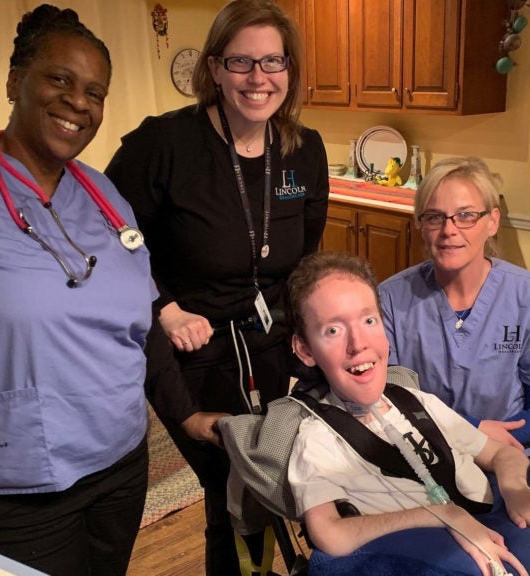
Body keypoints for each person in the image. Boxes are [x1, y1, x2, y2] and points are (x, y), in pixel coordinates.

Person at [0, 5, 157, 575]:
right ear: (14, 82)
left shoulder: (105, 195)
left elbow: (140, 316)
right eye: (60, 79)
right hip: (8, 482)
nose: (79, 101)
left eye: (95, 92)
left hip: (119, 463)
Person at [104, 1, 329, 574]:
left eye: (273, 61)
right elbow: (109, 236)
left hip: (275, 347)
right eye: (241, 62)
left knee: (279, 476)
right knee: (230, 485)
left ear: (290, 69)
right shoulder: (162, 145)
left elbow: (305, 259)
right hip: (192, 351)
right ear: (214, 68)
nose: (259, 78)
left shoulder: (306, 149)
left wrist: (315, 340)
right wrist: (165, 307)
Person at [284, 251, 530, 576]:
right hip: (428, 547)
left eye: (369, 321)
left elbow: (503, 454)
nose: (358, 343)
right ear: (305, 350)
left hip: (486, 515)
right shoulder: (317, 440)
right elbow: (330, 536)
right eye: (333, 330)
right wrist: (442, 515)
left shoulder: (416, 401)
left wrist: (517, 491)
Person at [378, 157, 530, 459]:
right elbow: (386, 399)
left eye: (466, 215)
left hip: (517, 448)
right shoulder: (391, 299)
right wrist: (470, 432)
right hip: (426, 450)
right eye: (434, 217)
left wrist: (484, 445)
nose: (449, 230)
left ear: (492, 222)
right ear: (421, 225)